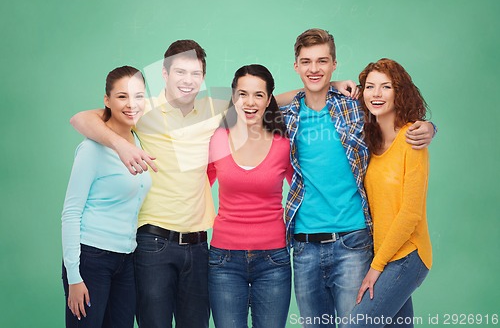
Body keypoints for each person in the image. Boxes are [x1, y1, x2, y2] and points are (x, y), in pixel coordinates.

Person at [69, 39, 358, 328]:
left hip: (199, 244)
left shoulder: (215, 111)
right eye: (180, 72)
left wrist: (329, 85)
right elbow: (82, 119)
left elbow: (267, 98)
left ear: (203, 78)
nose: (187, 80)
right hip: (153, 240)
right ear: (165, 75)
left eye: (195, 74)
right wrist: (121, 146)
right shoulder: (142, 109)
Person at [281, 29, 436, 327]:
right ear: (296, 66)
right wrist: (323, 86)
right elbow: (243, 106)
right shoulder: (286, 114)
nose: (314, 68)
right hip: (303, 246)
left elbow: (398, 116)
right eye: (306, 62)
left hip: (353, 242)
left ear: (335, 63)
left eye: (322, 62)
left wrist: (429, 127)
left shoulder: (355, 107)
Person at [62, 66, 152, 328]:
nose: (131, 104)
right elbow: (70, 212)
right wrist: (74, 276)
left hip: (126, 259)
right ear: (107, 100)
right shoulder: (92, 148)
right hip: (92, 259)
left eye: (138, 96)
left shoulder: (140, 140)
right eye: (122, 96)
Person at [345, 59, 432, 328]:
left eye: (386, 86)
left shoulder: (412, 139)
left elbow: (410, 213)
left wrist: (376, 267)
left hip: (407, 256)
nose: (377, 94)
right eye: (370, 87)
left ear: (400, 92)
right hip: (383, 253)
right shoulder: (369, 141)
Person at [207, 64, 293, 328]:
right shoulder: (216, 139)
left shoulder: (283, 145)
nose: (250, 102)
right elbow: (195, 186)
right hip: (223, 260)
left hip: (274, 260)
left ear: (269, 100)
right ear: (233, 98)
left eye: (258, 95)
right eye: (242, 94)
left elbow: (307, 191)